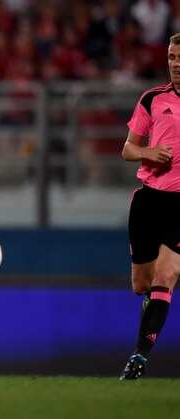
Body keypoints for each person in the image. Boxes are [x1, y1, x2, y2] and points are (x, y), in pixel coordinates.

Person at [119, 33, 180, 380]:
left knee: (167, 275)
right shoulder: (153, 99)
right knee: (142, 285)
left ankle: (139, 357)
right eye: (172, 57)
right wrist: (148, 153)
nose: (176, 64)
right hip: (149, 200)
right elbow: (128, 149)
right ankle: (153, 303)